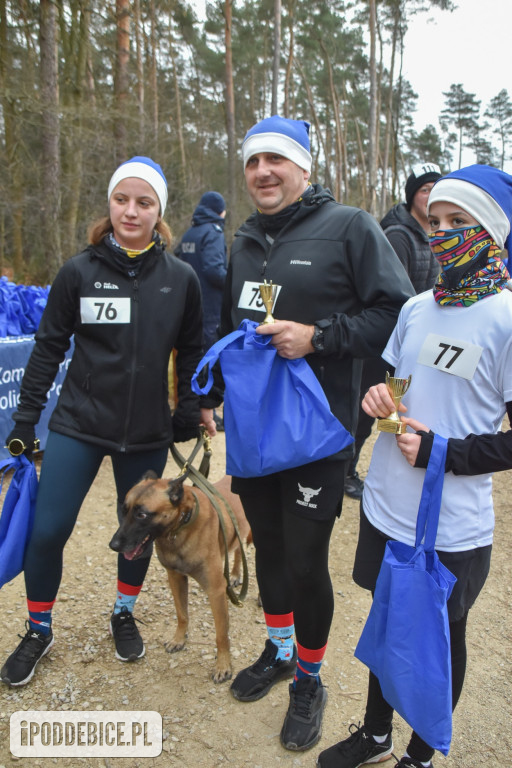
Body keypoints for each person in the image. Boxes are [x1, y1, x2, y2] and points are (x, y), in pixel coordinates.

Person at [200, 115, 414, 752]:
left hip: (319, 432)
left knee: (304, 557)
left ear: (304, 168)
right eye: (252, 162)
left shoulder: (349, 226)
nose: (263, 172)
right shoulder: (241, 240)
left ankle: (310, 681)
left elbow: (397, 313)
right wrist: (211, 392)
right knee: (266, 546)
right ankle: (280, 649)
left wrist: (317, 337)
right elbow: (238, 327)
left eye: (276, 161)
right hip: (256, 429)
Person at [317, 163, 512, 768]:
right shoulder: (417, 308)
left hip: (450, 526)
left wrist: (445, 454)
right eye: (436, 221)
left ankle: (421, 754)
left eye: (461, 221)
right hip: (386, 505)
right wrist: (383, 398)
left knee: (435, 642)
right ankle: (376, 734)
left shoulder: (506, 319)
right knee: (384, 625)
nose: (443, 232)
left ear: (494, 232)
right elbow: (396, 383)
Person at [0, 156, 215, 688]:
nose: (131, 211)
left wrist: (188, 409)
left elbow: (191, 349)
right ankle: (39, 628)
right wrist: (26, 421)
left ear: (158, 211)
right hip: (77, 422)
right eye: (122, 199)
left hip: (144, 431)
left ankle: (123, 612)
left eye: (144, 202)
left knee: (140, 534)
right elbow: (47, 349)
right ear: (110, 204)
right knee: (48, 531)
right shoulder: (79, 271)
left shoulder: (181, 279)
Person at [345, 162, 442, 501]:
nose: (430, 195)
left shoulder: (431, 234)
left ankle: (396, 462)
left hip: (415, 340)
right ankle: (346, 469)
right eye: (424, 189)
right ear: (412, 195)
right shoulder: (398, 236)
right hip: (387, 341)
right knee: (367, 410)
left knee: (397, 406)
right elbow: (394, 295)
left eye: (435, 188)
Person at [175, 190, 228, 430]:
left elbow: (177, 262)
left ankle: (190, 406)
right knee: (209, 357)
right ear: (220, 211)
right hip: (210, 307)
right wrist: (235, 283)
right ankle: (206, 410)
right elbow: (214, 270)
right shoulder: (213, 233)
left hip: (187, 305)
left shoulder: (190, 233)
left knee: (191, 357)